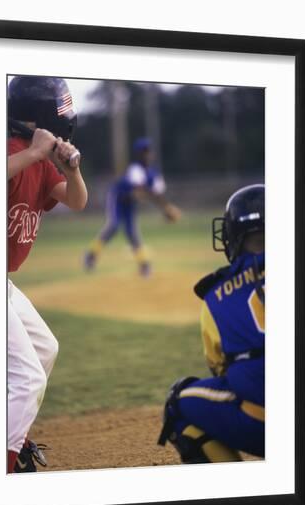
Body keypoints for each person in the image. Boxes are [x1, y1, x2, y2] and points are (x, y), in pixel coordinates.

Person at [7, 76, 88, 473]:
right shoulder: (7, 151)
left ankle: (8, 434)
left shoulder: (40, 163)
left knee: (45, 349)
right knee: (28, 378)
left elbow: (77, 201)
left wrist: (70, 169)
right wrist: (33, 152)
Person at [158, 184, 265, 463]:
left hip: (265, 426)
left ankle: (243, 497)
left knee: (177, 405)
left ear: (232, 237)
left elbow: (221, 371)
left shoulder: (216, 294)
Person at [83, 138, 181, 277]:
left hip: (130, 202)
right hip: (118, 197)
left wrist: (167, 207)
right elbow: (140, 191)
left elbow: (157, 193)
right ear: (138, 154)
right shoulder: (135, 169)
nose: (147, 154)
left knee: (132, 232)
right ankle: (90, 256)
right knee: (114, 226)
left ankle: (144, 265)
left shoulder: (154, 174)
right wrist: (165, 208)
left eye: (148, 151)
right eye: (143, 152)